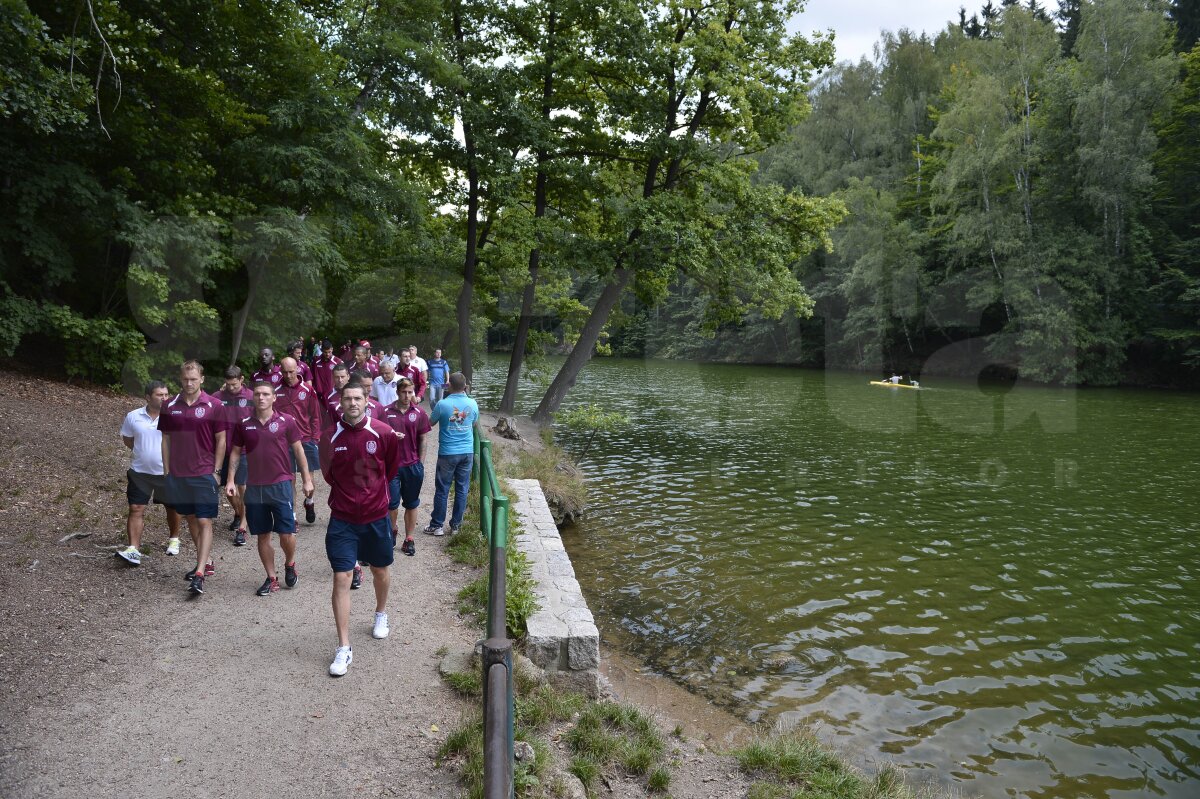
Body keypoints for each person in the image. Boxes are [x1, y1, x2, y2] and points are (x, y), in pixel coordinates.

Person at [318, 382, 401, 676]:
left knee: (380, 570)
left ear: (367, 400)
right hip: (342, 518)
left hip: (376, 517)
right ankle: (343, 647)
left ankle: (381, 613)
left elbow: (390, 469)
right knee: (341, 576)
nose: (352, 403)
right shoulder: (329, 436)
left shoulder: (384, 432)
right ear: (340, 402)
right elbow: (328, 474)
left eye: (358, 398)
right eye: (347, 398)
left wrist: (371, 496)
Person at [225, 381, 314, 595]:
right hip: (255, 488)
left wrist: (306, 479)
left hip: (281, 484)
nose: (261, 398)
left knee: (286, 534)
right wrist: (230, 480)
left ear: (274, 398)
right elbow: (236, 452)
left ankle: (290, 563)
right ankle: (271, 577)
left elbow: (299, 451)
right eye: (257, 394)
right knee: (263, 535)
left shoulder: (286, 421)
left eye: (266, 394)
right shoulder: (244, 423)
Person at [158, 360, 226, 595]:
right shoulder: (169, 405)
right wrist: (166, 471)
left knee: (205, 520)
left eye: (194, 379)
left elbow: (222, 440)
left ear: (202, 379)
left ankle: (198, 574)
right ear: (180, 379)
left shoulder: (214, 405)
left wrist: (216, 471)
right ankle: (205, 562)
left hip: (204, 472)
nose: (189, 383)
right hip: (178, 473)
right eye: (186, 379)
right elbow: (165, 438)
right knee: (190, 519)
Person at [117, 381, 183, 565]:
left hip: (167, 472)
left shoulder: (174, 416)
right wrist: (144, 453)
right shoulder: (133, 416)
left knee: (172, 508)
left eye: (166, 395)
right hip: (139, 472)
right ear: (147, 397)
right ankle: (133, 549)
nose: (164, 398)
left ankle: (174, 539)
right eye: (159, 395)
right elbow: (128, 439)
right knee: (136, 508)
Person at [424, 372, 479, 536]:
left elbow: (430, 424)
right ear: (465, 387)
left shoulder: (442, 404)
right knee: (462, 489)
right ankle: (456, 526)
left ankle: (437, 525)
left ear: (449, 386)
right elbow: (474, 424)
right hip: (467, 452)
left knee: (442, 489)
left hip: (448, 452)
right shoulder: (473, 403)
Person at [382, 378, 431, 556]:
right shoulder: (386, 412)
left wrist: (421, 463)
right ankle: (392, 530)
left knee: (411, 503)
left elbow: (424, 438)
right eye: (404, 392)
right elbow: (380, 438)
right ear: (397, 392)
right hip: (393, 466)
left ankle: (409, 538)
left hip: (412, 466)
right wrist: (391, 437)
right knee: (391, 504)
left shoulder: (419, 412)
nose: (407, 395)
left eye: (410, 392)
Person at [274, 357, 323, 525]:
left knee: (308, 478)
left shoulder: (308, 390)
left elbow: (315, 415)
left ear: (298, 370)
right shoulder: (276, 390)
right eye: (285, 372)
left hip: (306, 439)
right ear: (280, 371)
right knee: (290, 479)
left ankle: (309, 501)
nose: (288, 375)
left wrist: (316, 438)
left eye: (291, 371)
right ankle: (292, 516)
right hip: (284, 442)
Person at [216, 366, 253, 545]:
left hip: (245, 451)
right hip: (223, 451)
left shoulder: (252, 397)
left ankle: (242, 529)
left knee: (243, 488)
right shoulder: (217, 397)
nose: (231, 388)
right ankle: (239, 513)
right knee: (229, 491)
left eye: (235, 385)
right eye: (228, 384)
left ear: (242, 379)